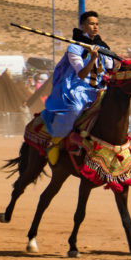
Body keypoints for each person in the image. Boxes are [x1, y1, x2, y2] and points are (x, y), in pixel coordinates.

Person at [41, 11, 116, 164]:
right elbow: (81, 74)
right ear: (82, 26)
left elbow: (111, 68)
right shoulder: (75, 48)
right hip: (79, 89)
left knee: (118, 109)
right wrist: (92, 59)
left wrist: (117, 64)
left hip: (100, 89)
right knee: (75, 108)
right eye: (91, 23)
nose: (95, 27)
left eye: (97, 24)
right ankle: (55, 141)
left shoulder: (103, 47)